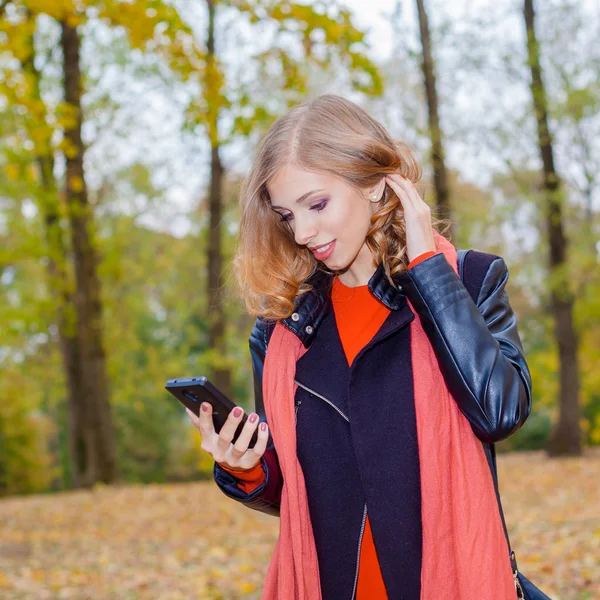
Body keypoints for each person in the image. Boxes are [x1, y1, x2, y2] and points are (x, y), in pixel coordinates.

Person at [186, 94, 532, 600]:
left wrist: (428, 272)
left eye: (317, 204)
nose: (302, 233)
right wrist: (245, 466)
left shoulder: (469, 281)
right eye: (286, 215)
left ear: (374, 183)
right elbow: (297, 491)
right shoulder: (282, 328)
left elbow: (499, 412)